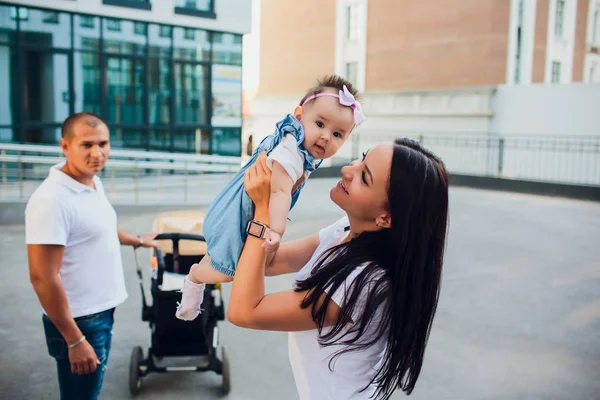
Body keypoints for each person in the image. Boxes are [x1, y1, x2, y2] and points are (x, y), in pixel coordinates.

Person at [227, 139, 449, 400]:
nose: (348, 169)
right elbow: (274, 261)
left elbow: (244, 312)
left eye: (364, 177)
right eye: (361, 158)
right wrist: (279, 197)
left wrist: (263, 214)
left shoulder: (366, 281)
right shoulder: (348, 228)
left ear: (385, 217)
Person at [176, 75, 365, 320]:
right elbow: (278, 192)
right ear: (299, 116)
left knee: (223, 256)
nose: (326, 137)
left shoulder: (297, 144)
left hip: (235, 211)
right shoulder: (291, 154)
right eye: (319, 124)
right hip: (239, 215)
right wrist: (275, 230)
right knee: (225, 272)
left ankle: (196, 279)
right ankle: (194, 277)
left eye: (338, 134)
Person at [25, 112, 158, 400]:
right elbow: (42, 277)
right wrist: (74, 341)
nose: (97, 153)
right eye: (86, 145)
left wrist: (136, 241)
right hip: (80, 322)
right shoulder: (51, 201)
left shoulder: (91, 182)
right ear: (65, 146)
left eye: (103, 144)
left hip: (100, 313)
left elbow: (101, 227)